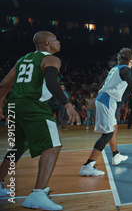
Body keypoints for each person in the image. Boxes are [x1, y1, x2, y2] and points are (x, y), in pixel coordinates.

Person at [0, 31, 81, 210]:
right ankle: (38, 194)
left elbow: (5, 84)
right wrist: (68, 105)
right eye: (55, 40)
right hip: (33, 105)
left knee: (18, 146)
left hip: (14, 105)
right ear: (46, 43)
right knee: (53, 146)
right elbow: (52, 83)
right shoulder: (51, 59)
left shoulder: (23, 59)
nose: (59, 42)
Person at [79, 48, 132, 176]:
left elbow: (105, 84)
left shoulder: (115, 68)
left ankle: (116, 155)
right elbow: (131, 83)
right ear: (130, 58)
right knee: (107, 134)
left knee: (113, 128)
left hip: (107, 99)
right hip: (107, 99)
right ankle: (88, 165)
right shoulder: (126, 69)